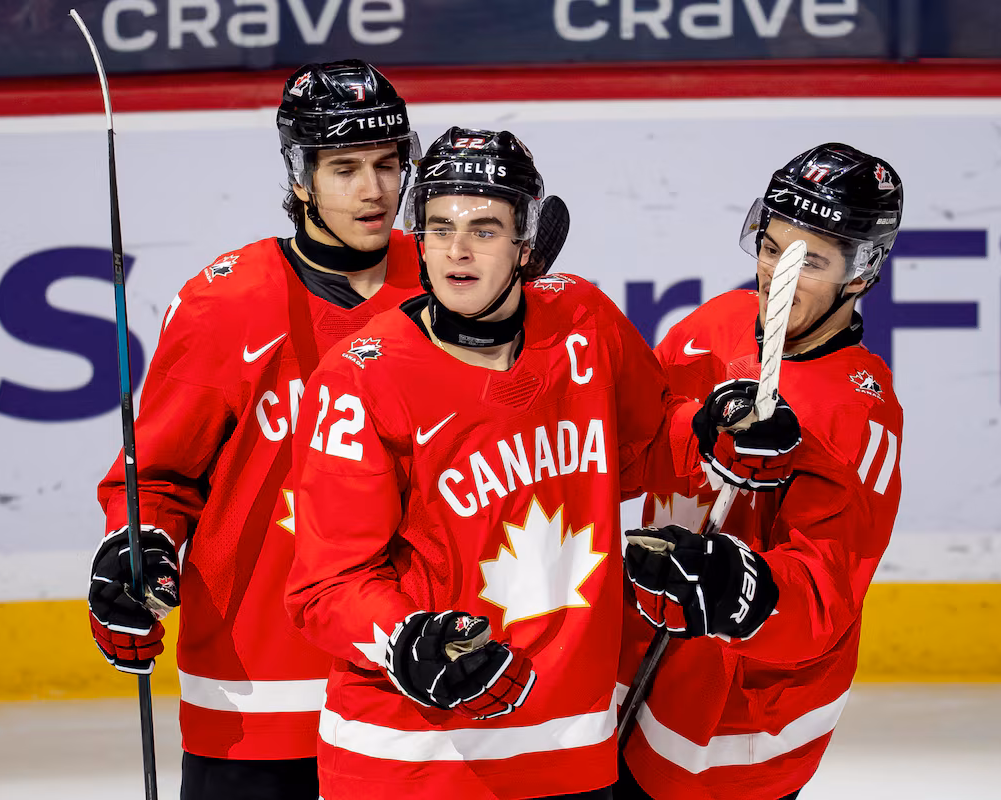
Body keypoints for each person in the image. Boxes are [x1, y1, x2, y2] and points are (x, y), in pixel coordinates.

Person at [282, 128, 778, 799]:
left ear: (526, 244)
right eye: (437, 227)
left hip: (572, 754)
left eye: (484, 229)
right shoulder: (359, 380)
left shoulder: (586, 323)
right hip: (413, 759)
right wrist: (403, 639)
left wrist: (716, 430)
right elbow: (326, 584)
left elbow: (648, 454)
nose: (457, 249)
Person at [87, 60, 423, 800]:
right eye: (344, 168)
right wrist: (133, 548)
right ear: (300, 177)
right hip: (256, 699)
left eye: (387, 163)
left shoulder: (446, 285)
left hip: (410, 688)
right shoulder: (228, 302)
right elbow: (159, 480)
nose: (374, 190)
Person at [615, 142, 906, 800]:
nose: (778, 274)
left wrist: (742, 587)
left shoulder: (859, 416)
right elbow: (636, 453)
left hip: (739, 721)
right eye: (773, 246)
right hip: (642, 661)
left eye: (812, 261)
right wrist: (700, 424)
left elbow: (825, 597)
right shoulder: (714, 323)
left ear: (861, 274)